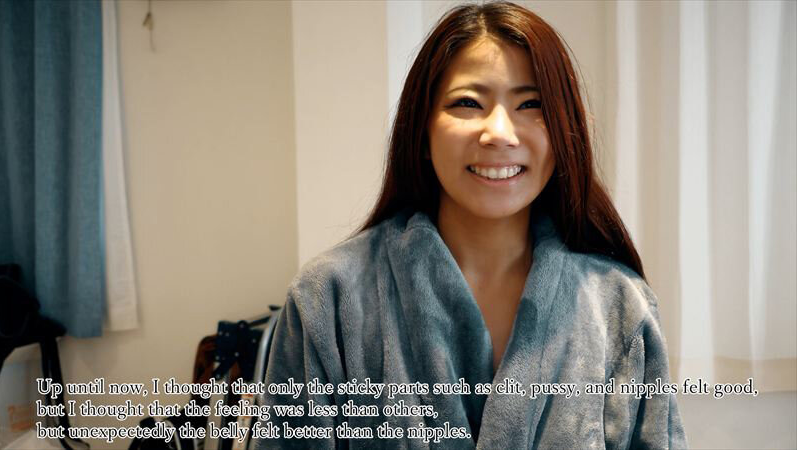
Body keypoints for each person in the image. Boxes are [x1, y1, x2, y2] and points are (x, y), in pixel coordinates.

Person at [257, 2, 687, 449]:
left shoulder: (619, 306)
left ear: (565, 132)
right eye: (467, 103)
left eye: (531, 103)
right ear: (422, 130)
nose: (499, 132)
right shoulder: (328, 297)